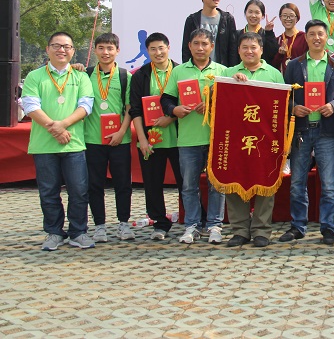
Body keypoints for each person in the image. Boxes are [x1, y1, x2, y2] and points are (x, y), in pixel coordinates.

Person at [21, 32, 95, 250]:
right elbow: (30, 106)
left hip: (74, 143)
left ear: (73, 51)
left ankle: (78, 232)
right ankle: (54, 232)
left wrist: (62, 125)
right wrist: (55, 129)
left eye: (66, 46)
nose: (61, 50)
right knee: (49, 192)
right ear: (48, 49)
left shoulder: (81, 77)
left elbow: (86, 106)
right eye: (56, 46)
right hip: (43, 145)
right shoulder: (35, 76)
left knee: (79, 191)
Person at [279, 20, 334, 246]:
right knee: (297, 182)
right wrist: (294, 108)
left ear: (327, 38)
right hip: (301, 131)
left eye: (320, 34)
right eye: (312, 34)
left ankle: (328, 227)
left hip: (327, 132)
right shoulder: (294, 66)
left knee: (329, 184)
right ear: (305, 38)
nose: (317, 38)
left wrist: (333, 106)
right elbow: (286, 96)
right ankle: (298, 226)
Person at [161, 28, 228, 245]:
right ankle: (192, 225)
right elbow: (166, 99)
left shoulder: (222, 71)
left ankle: (215, 225)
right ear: (189, 46)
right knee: (189, 186)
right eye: (196, 44)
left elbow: (231, 102)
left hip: (216, 139)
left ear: (212, 47)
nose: (200, 48)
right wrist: (175, 110)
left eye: (204, 44)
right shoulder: (179, 71)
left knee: (217, 186)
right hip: (188, 140)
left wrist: (211, 106)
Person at [222, 32, 285, 247]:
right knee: (234, 181)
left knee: (265, 182)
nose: (249, 51)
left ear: (261, 50)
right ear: (238, 51)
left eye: (253, 47)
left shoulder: (274, 74)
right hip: (235, 139)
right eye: (245, 47)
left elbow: (282, 107)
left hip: (265, 140)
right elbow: (216, 99)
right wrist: (231, 82)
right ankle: (239, 230)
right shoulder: (228, 72)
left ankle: (261, 230)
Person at [129, 32, 183, 240]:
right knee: (152, 184)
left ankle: (192, 220)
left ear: (168, 48)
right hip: (151, 140)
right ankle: (160, 223)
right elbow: (135, 110)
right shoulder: (141, 75)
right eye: (153, 49)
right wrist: (141, 139)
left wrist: (170, 118)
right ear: (147, 51)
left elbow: (188, 103)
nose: (158, 52)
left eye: (161, 48)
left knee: (186, 184)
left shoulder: (180, 71)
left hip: (179, 139)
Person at [83, 33, 134, 243]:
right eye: (101, 48)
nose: (106, 52)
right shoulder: (85, 75)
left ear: (117, 51)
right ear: (95, 50)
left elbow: (129, 108)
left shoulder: (124, 76)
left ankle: (124, 223)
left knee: (123, 184)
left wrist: (122, 132)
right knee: (94, 185)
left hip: (120, 140)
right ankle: (100, 226)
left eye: (110, 48)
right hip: (92, 140)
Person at [182, 0, 238, 66]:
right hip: (197, 69)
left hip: (221, 69)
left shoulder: (227, 19)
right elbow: (186, 49)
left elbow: (232, 50)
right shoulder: (192, 20)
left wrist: (231, 70)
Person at [271, 3, 309, 73]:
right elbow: (273, 66)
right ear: (280, 18)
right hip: (282, 78)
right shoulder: (278, 40)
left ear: (297, 18)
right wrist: (280, 54)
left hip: (300, 76)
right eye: (284, 16)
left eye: (291, 16)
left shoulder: (304, 37)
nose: (288, 19)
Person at [240, 0, 279, 64]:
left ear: (263, 16)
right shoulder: (237, 34)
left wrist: (269, 32)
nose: (253, 15)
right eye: (250, 12)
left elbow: (273, 54)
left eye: (257, 13)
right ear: (245, 13)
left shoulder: (266, 34)